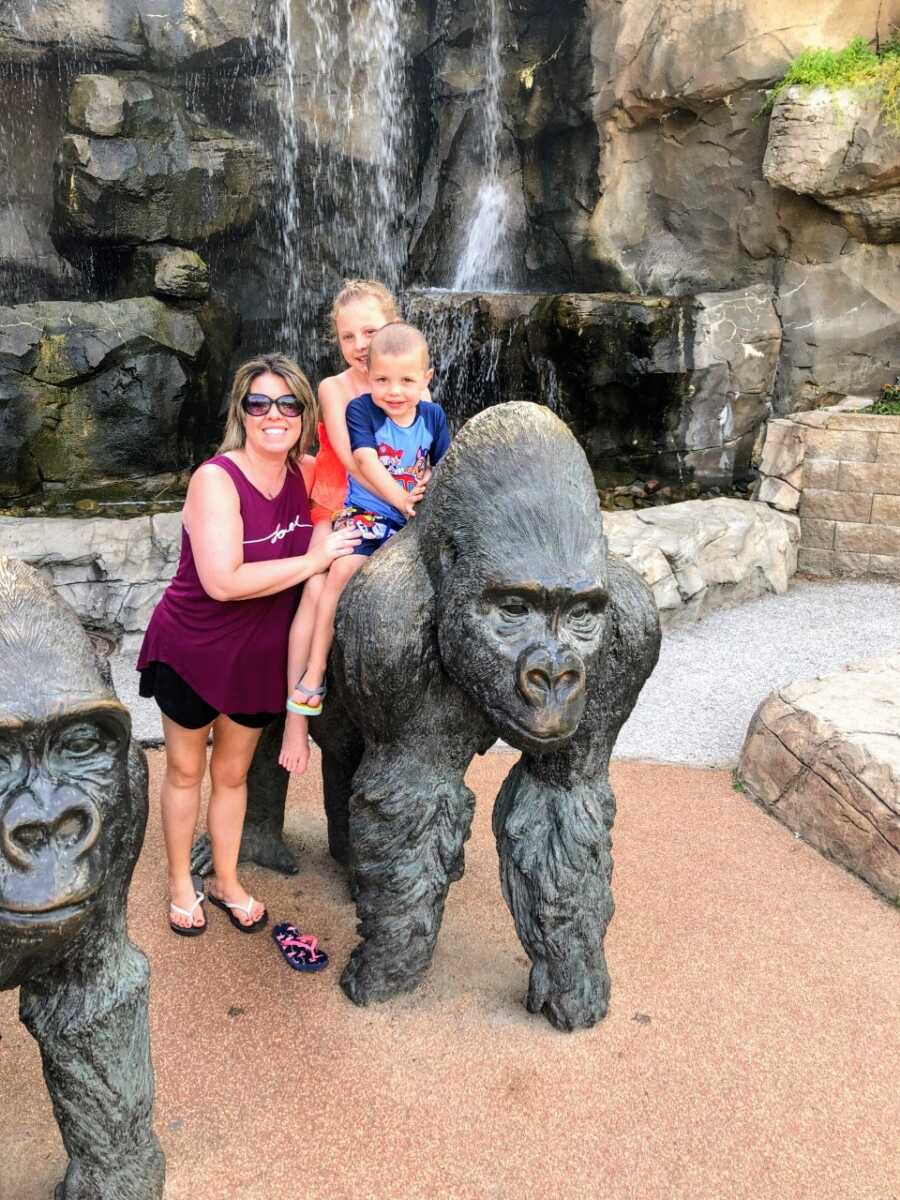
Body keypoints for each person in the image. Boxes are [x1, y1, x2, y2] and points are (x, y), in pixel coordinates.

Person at [137, 354, 359, 935]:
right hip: (193, 649)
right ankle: (182, 881)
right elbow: (223, 581)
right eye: (259, 403)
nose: (273, 415)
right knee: (187, 770)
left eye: (288, 403)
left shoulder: (306, 475)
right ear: (242, 411)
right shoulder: (216, 479)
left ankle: (226, 879)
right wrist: (312, 559)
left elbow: (373, 471)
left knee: (232, 776)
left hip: (258, 658)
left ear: (305, 414)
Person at [278, 323, 450, 774]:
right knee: (337, 574)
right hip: (374, 514)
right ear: (369, 377)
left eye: (407, 381)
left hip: (414, 514)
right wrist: (403, 500)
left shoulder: (432, 416)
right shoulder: (360, 410)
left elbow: (444, 460)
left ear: (426, 377)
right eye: (383, 381)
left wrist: (431, 484)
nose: (394, 391)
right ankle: (313, 675)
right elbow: (365, 460)